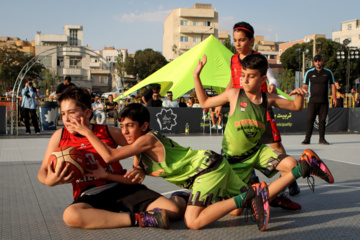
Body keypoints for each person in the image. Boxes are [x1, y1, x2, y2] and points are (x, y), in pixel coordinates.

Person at [68, 102, 271, 231]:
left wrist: (87, 131)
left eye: (130, 126)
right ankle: (268, 187)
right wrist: (107, 175)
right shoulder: (139, 153)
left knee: (193, 222)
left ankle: (250, 194)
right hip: (214, 164)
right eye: (122, 126)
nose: (125, 131)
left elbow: (110, 156)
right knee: (236, 210)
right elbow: (131, 180)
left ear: (144, 126)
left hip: (205, 169)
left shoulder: (147, 139)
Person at [193, 54, 334, 217]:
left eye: (251, 76)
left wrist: (300, 95)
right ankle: (265, 195)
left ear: (262, 79)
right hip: (234, 161)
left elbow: (296, 106)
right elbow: (204, 102)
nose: (245, 80)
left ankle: (271, 191)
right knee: (235, 212)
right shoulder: (233, 94)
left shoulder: (267, 98)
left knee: (292, 165)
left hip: (257, 152)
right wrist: (196, 76)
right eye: (243, 75)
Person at [37, 86, 184, 229]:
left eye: (71, 112)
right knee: (71, 215)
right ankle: (140, 219)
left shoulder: (106, 131)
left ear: (87, 113)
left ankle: (181, 197)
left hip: (120, 187)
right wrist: (50, 180)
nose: (66, 119)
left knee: (174, 211)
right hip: (90, 194)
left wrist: (137, 168)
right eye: (63, 114)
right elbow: (42, 171)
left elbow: (137, 143)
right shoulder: (60, 136)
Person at [220, 22, 301, 203]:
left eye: (241, 40)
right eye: (235, 40)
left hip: (260, 108)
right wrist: (220, 101)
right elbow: (233, 81)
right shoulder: (233, 59)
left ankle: (290, 180)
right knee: (244, 144)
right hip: (241, 109)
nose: (238, 44)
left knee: (276, 145)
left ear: (251, 41)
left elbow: (271, 77)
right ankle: (253, 181)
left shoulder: (258, 59)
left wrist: (272, 85)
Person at [302, 54, 337, 145]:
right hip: (312, 101)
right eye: (316, 61)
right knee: (310, 119)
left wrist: (334, 98)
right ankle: (307, 139)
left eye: (319, 60)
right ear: (314, 62)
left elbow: (333, 85)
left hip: (324, 101)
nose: (318, 62)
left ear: (322, 61)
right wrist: (304, 91)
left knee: (322, 120)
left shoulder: (328, 73)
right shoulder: (309, 73)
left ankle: (322, 139)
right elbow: (304, 86)